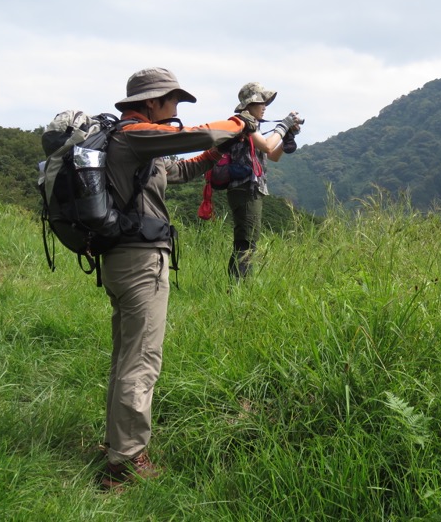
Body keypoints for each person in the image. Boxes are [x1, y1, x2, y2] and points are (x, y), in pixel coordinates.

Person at [98, 67, 260, 490]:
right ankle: (126, 462)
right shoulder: (135, 134)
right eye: (172, 103)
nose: (174, 112)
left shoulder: (136, 146)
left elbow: (181, 170)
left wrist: (214, 154)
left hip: (124, 259)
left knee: (126, 355)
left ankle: (119, 443)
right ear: (152, 102)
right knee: (141, 360)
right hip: (139, 261)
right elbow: (203, 134)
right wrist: (240, 123)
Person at [224, 82, 302, 279]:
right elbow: (268, 146)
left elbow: (272, 155)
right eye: (262, 102)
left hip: (249, 189)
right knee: (246, 242)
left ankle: (239, 286)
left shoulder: (252, 125)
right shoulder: (243, 122)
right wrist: (283, 127)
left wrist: (286, 140)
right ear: (250, 104)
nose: (265, 106)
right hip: (245, 189)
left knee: (247, 241)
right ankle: (239, 288)